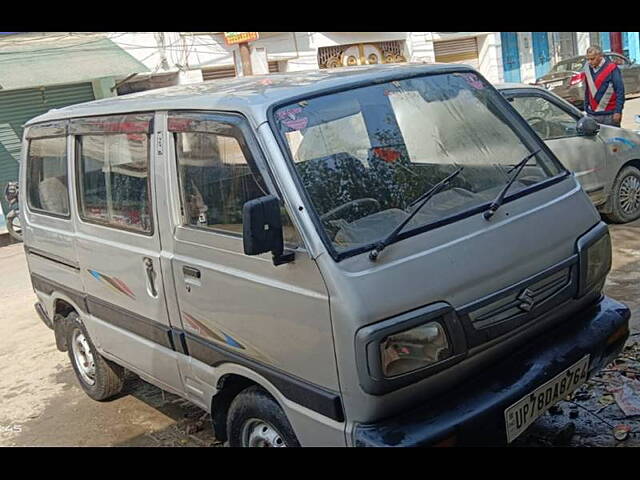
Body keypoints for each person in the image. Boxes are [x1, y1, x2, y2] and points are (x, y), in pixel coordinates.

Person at [582, 45, 625, 127]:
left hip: (609, 114)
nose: (590, 62)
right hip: (592, 114)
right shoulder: (587, 68)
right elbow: (587, 90)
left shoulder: (612, 68)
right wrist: (586, 108)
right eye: (588, 59)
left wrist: (618, 111)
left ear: (600, 56)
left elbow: (620, 90)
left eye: (592, 59)